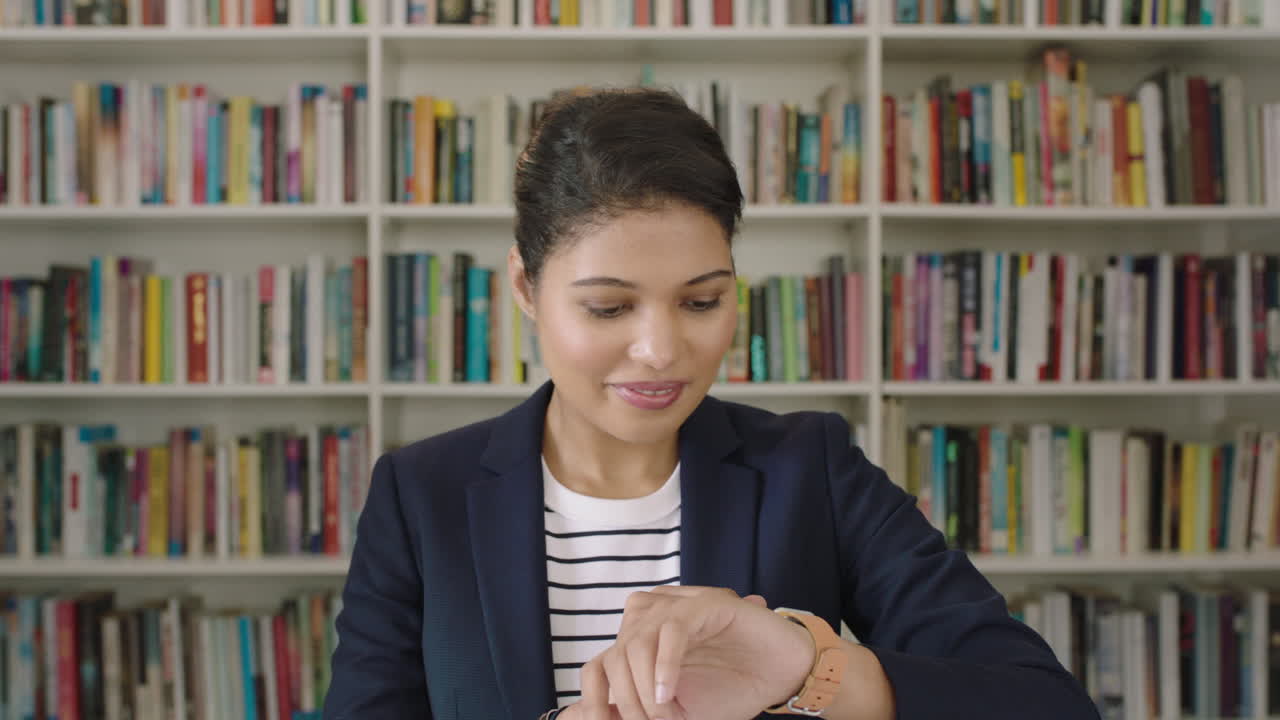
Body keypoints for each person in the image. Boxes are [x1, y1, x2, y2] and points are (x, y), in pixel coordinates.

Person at [322, 86, 1099, 720]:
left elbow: (1044, 702)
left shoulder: (813, 468)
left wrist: (807, 666)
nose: (661, 351)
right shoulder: (420, 496)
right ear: (526, 288)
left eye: (701, 302)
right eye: (608, 308)